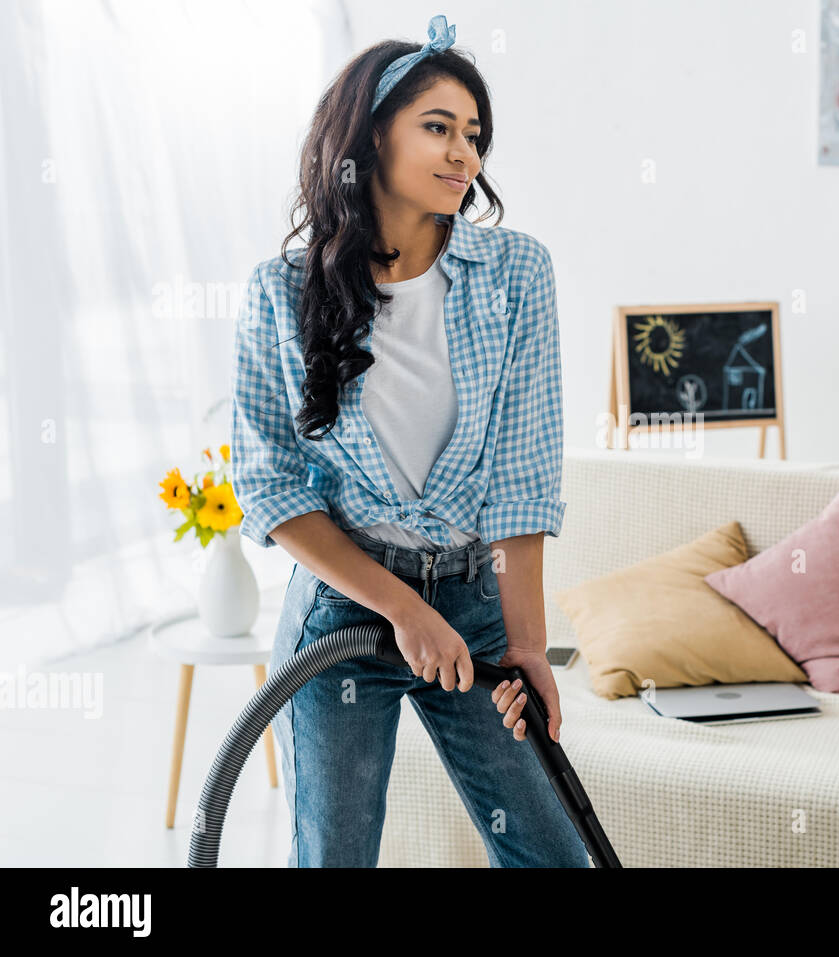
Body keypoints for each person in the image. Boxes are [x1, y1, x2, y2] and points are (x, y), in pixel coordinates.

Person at [229, 15, 588, 867]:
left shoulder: (517, 274)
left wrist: (526, 646)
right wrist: (400, 609)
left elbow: (521, 480)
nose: (465, 153)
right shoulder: (280, 293)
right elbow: (272, 485)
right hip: (343, 610)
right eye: (438, 127)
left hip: (475, 604)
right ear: (367, 136)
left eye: (475, 135)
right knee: (334, 857)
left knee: (551, 854)